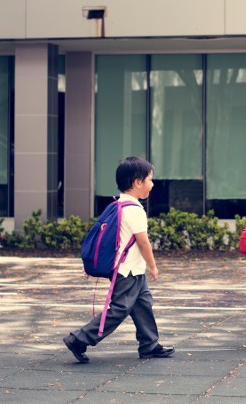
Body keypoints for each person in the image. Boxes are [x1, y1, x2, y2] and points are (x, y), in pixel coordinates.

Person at [64, 156, 174, 363]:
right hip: (127, 272)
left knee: (143, 304)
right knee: (119, 310)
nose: (153, 184)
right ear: (137, 182)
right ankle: (79, 339)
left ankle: (149, 344)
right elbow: (143, 243)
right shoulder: (134, 210)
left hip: (132, 271)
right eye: (150, 179)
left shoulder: (117, 205)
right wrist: (153, 266)